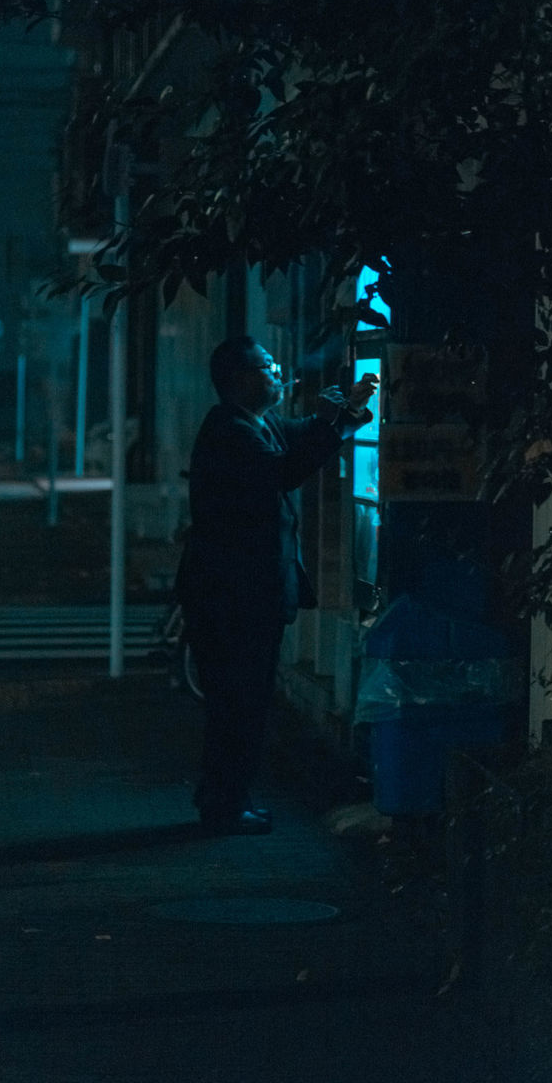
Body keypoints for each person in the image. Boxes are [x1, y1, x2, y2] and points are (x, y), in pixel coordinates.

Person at [176, 335, 378, 835]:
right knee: (239, 704)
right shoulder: (231, 433)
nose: (278, 371)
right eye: (267, 366)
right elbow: (284, 468)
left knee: (238, 704)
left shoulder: (251, 424)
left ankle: (223, 798)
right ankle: (226, 806)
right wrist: (338, 425)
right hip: (232, 599)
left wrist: (346, 415)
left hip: (236, 596)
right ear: (240, 379)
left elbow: (297, 436)